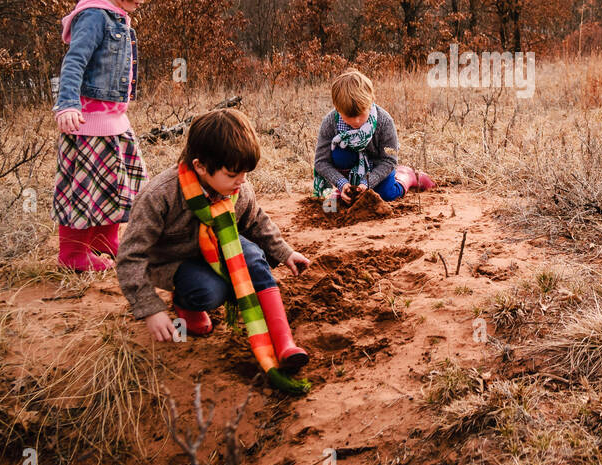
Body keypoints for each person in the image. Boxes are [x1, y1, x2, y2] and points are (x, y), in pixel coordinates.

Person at [116, 108, 310, 389]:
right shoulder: (160, 196)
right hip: (176, 261)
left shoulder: (237, 187)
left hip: (221, 245)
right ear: (201, 166)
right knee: (210, 292)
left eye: (245, 172)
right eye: (233, 173)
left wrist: (285, 252)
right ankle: (186, 305)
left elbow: (256, 221)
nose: (242, 180)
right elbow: (130, 255)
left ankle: (285, 343)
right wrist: (149, 308)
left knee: (255, 258)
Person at [52, 0, 158, 272]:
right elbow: (74, 62)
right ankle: (72, 254)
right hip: (87, 123)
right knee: (82, 189)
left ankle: (102, 240)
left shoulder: (118, 16)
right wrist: (66, 104)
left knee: (116, 183)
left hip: (113, 123)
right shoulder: (94, 16)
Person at [312, 69, 434, 204]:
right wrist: (341, 183)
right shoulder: (329, 122)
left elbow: (389, 161)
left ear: (370, 102)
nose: (356, 122)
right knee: (341, 155)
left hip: (378, 167)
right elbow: (321, 162)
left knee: (387, 195)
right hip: (349, 169)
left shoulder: (385, 121)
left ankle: (406, 175)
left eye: (361, 115)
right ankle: (347, 188)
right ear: (337, 109)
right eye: (348, 117)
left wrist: (367, 183)